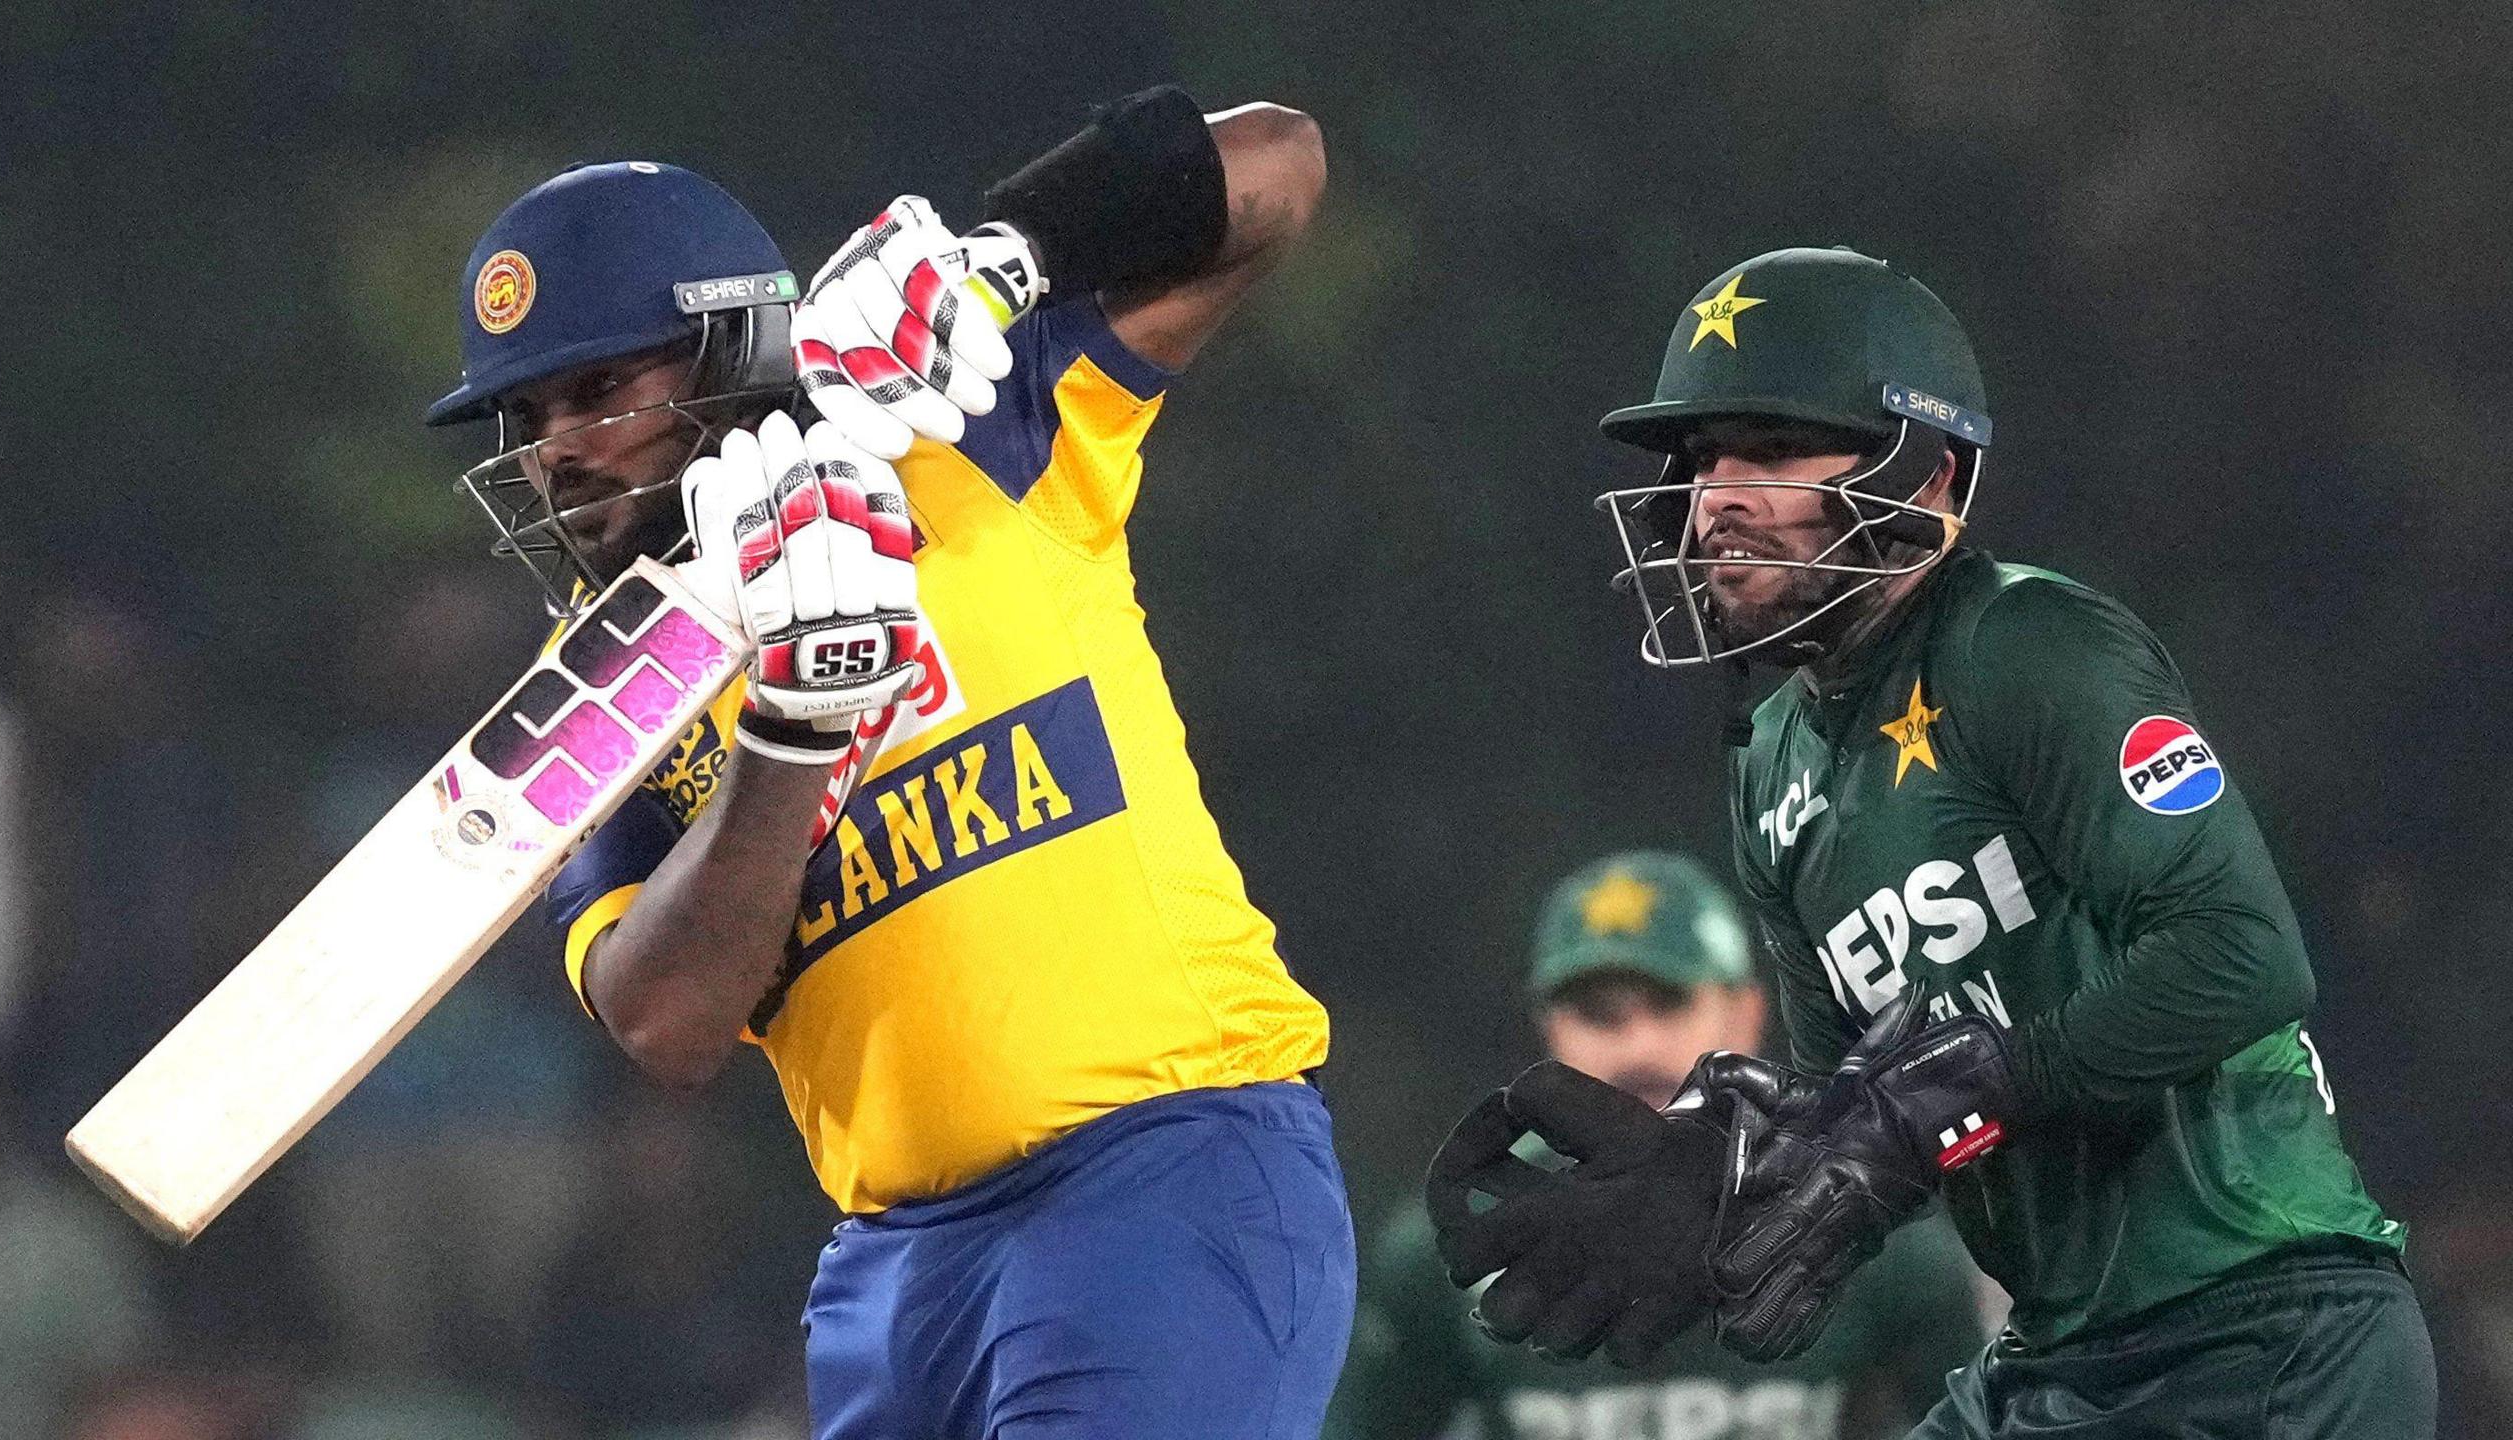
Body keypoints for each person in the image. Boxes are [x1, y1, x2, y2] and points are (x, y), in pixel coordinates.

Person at [425, 87, 1351, 1439]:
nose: (556, 455)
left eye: (598, 390)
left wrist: (1013, 251)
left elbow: (1280, 164)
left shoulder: (957, 430)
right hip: (891, 1269)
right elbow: (665, 1021)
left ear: (728, 342)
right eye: (526, 418)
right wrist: (793, 729)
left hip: (1164, 1177)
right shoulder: (601, 683)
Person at [1426, 247, 2435, 1438]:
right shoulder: (1770, 770)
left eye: (1770, 447)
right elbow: (1862, 1106)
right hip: (2063, 1357)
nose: (1717, 497)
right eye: (1701, 461)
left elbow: (2243, 959)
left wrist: (1968, 1091)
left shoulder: (2029, 646)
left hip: (2260, 1330)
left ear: (1932, 472)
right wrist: (1728, 1180)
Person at [1327, 850, 1982, 1440]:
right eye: (1599, 1013)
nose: (1637, 1047)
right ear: (1550, 1029)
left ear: (1744, 1013)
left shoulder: (1875, 1239)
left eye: (1668, 1004)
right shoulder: (1455, 1249)